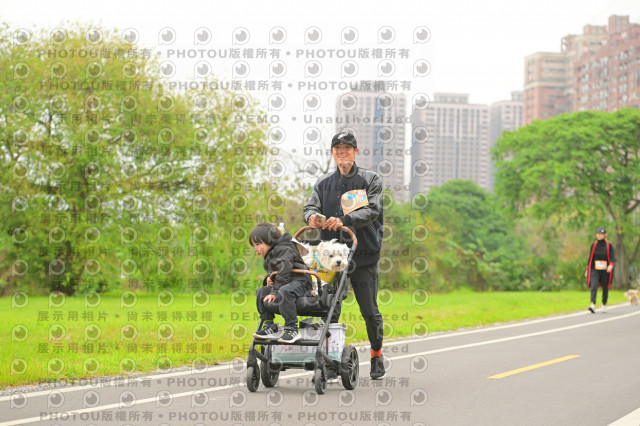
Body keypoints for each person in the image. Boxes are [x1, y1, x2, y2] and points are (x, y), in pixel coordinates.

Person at [303, 131, 386, 380]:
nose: (342, 152)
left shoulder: (370, 180)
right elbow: (310, 206)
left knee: (369, 311)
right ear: (332, 153)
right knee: (329, 309)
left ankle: (376, 355)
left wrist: (344, 220)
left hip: (364, 257)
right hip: (331, 261)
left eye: (347, 148)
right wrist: (311, 217)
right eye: (338, 148)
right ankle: (331, 361)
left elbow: (372, 210)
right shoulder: (323, 183)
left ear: (355, 151)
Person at [250, 223, 312, 343]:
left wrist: (275, 292)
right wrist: (269, 279)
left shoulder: (285, 249)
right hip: (286, 284)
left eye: (258, 244)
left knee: (284, 291)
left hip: (301, 283)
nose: (256, 249)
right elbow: (274, 273)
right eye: (253, 246)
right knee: (261, 292)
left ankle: (292, 328)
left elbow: (284, 271)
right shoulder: (270, 255)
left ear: (269, 240)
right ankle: (269, 325)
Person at [585, 227, 615, 313]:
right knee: (593, 286)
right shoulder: (594, 245)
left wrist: (611, 265)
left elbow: (612, 257)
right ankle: (592, 304)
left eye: (601, 234)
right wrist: (587, 269)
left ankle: (604, 304)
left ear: (605, 235)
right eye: (598, 233)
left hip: (605, 270)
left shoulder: (609, 246)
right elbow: (590, 258)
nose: (599, 235)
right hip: (595, 269)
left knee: (605, 287)